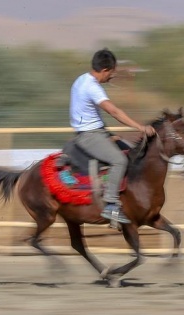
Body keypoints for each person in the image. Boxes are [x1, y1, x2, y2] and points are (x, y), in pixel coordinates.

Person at [70, 48, 156, 224]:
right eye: (111, 73)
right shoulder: (92, 87)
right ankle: (110, 205)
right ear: (104, 71)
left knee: (132, 154)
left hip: (98, 131)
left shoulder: (82, 79)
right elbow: (114, 112)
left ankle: (125, 200)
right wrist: (140, 127)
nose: (112, 77)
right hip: (90, 135)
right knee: (120, 161)